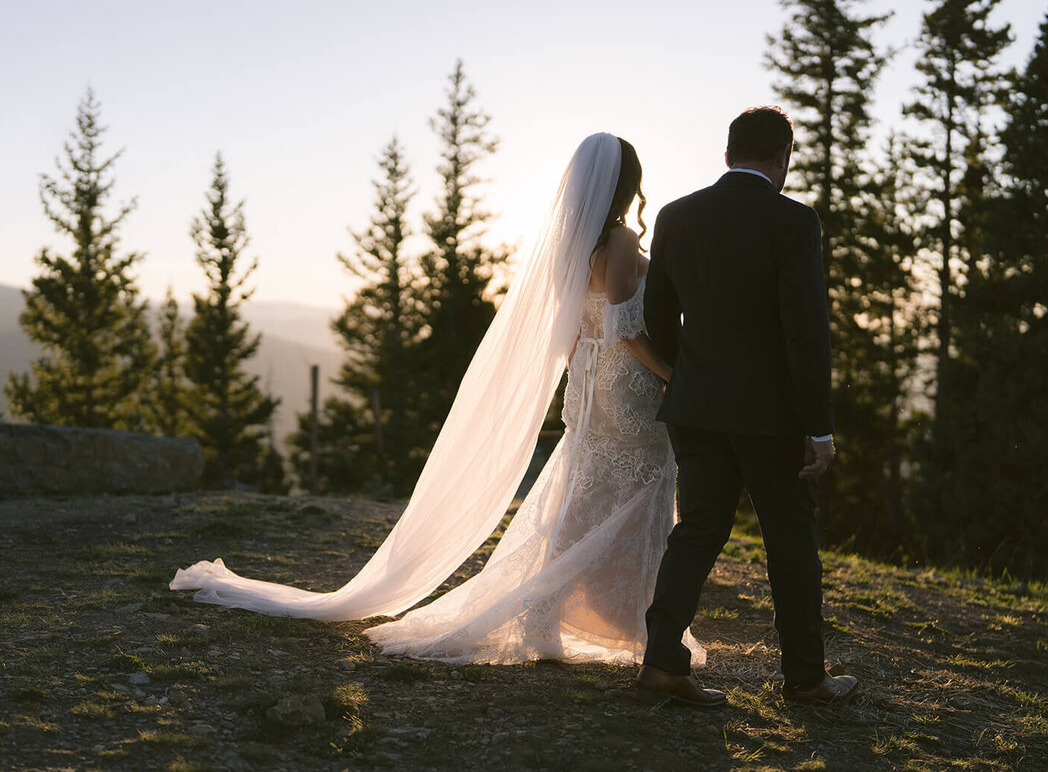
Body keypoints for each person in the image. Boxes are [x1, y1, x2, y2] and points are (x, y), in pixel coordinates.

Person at [171, 133, 702, 666]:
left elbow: (570, 332)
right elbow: (625, 329)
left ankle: (555, 616)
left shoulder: (570, 245)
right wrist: (675, 375)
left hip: (589, 383)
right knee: (641, 480)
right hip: (626, 383)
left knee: (582, 493)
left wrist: (584, 378)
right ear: (628, 185)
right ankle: (638, 625)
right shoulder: (622, 242)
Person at [633, 106, 857, 706]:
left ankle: (660, 664)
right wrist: (821, 428)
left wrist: (690, 374)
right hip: (773, 417)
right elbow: (805, 331)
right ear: (783, 157)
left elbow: (657, 315)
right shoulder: (794, 222)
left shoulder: (676, 216)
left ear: (727, 155)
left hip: (695, 408)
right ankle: (806, 679)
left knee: (698, 529)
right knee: (789, 539)